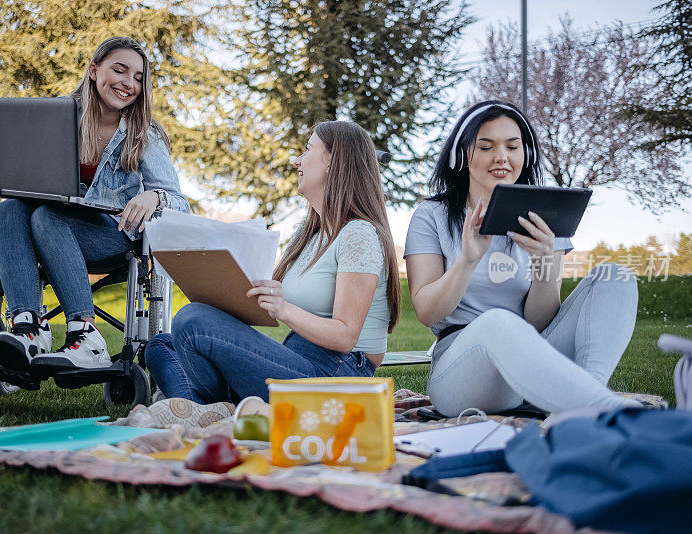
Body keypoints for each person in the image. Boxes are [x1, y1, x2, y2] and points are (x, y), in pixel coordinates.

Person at [404, 100, 641, 417]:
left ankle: (586, 404)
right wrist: (467, 261)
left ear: (525, 154)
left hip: (532, 357)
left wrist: (544, 260)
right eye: (486, 147)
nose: (501, 157)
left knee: (616, 276)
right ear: (462, 155)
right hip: (463, 375)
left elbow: (539, 323)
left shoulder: (546, 216)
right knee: (499, 322)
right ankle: (608, 411)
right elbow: (426, 312)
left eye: (512, 147)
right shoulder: (431, 215)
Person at [145, 120, 401, 403]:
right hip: (297, 359)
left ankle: (203, 406)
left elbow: (345, 337)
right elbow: (264, 307)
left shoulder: (358, 234)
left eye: (307, 149)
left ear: (331, 159)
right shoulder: (308, 234)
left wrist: (283, 309)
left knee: (192, 321)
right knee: (162, 345)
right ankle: (212, 407)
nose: (297, 160)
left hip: (337, 376)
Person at [0, 36, 189, 372]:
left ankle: (86, 336)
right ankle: (28, 329)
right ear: (94, 71)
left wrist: (154, 196)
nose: (129, 83)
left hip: (112, 236)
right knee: (11, 208)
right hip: (47, 229)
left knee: (47, 217)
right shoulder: (56, 119)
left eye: (138, 77)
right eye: (120, 70)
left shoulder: (144, 134)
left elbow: (181, 204)